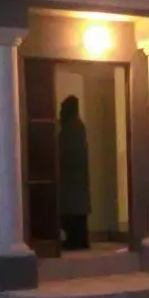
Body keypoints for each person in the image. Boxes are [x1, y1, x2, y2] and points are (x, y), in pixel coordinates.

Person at [57, 95, 91, 250]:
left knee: (73, 211)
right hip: (74, 179)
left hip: (72, 179)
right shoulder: (76, 127)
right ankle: (76, 240)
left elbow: (67, 151)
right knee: (74, 211)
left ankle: (77, 241)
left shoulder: (74, 128)